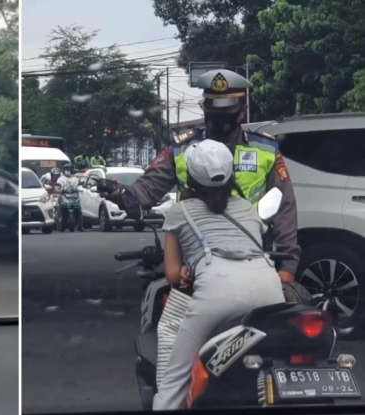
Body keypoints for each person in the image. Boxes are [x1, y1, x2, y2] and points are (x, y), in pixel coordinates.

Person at [96, 68, 300, 384]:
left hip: (257, 260)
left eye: (227, 111)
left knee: (171, 349)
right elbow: (146, 191)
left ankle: (168, 399)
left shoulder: (266, 149)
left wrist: (287, 267)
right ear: (204, 109)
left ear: (242, 111)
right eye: (212, 110)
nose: (219, 118)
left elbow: (285, 208)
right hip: (203, 264)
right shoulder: (181, 148)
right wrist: (122, 195)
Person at [154, 139, 285, 410]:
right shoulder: (247, 209)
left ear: (190, 178)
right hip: (270, 290)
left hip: (218, 294)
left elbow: (172, 275)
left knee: (174, 380)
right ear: (230, 176)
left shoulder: (178, 211)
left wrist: (186, 273)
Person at [56, 163, 84, 232]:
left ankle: (81, 226)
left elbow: (78, 186)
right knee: (61, 208)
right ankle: (61, 221)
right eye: (67, 169)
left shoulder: (75, 179)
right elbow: (57, 186)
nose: (68, 171)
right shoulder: (60, 179)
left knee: (79, 210)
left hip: (74, 196)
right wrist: (58, 190)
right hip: (64, 195)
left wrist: (79, 188)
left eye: (69, 169)